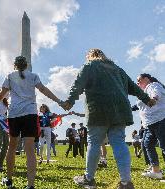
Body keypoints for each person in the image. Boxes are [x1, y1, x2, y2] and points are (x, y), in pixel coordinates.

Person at [60, 49, 155, 189]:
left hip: (98, 110)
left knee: (94, 143)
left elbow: (77, 85)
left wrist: (69, 101)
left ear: (90, 57)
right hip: (120, 111)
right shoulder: (118, 70)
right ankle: (126, 182)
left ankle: (89, 179)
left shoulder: (89, 66)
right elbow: (134, 88)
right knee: (119, 143)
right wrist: (147, 99)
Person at [0, 56, 64, 189]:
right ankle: (30, 185)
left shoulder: (10, 76)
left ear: (15, 65)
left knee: (11, 147)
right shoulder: (33, 75)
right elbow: (44, 89)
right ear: (27, 65)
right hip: (30, 114)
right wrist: (59, 101)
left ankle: (9, 180)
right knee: (30, 149)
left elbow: (1, 95)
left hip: (14, 114)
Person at [136, 73, 165, 179]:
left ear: (147, 79)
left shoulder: (153, 85)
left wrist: (154, 100)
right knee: (147, 144)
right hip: (150, 123)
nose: (137, 82)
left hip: (160, 120)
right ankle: (156, 171)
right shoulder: (144, 91)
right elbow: (138, 106)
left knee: (164, 146)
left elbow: (156, 94)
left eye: (139, 80)